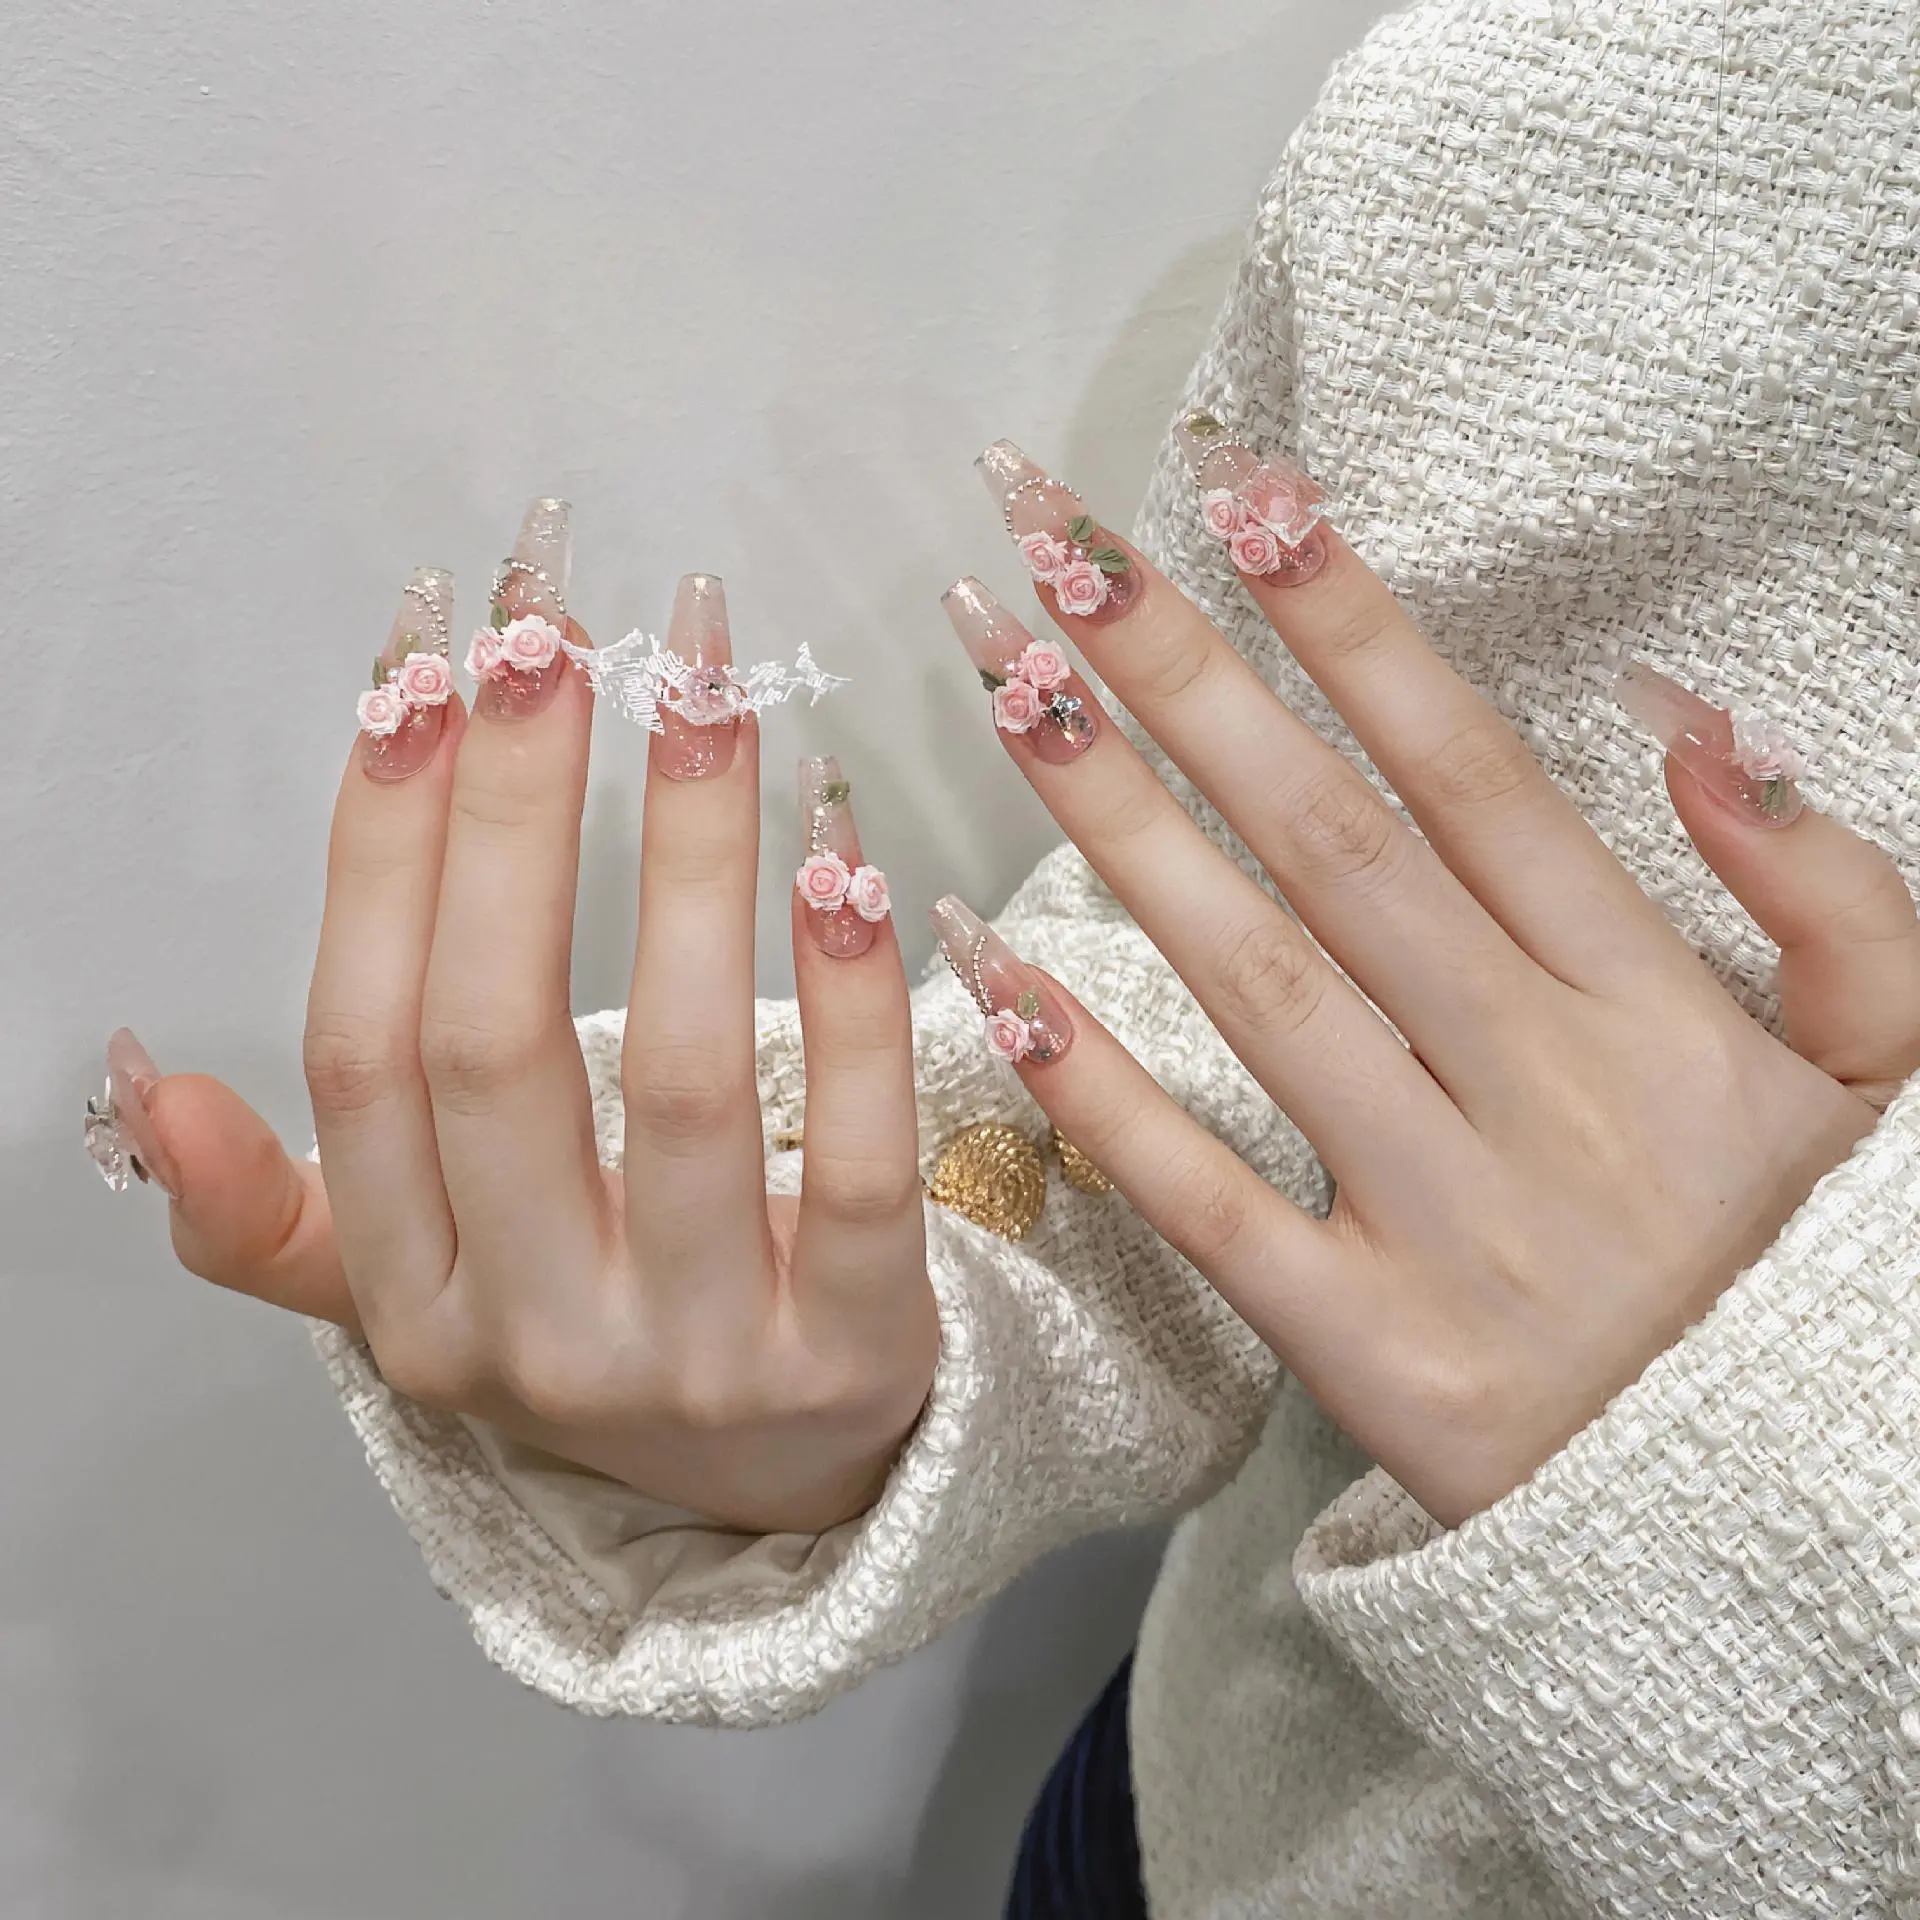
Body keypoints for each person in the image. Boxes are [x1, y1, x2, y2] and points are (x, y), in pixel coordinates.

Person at [83, 0, 1920, 1911]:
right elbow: (1269, 998)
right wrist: (856, 1299)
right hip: (1221, 1818)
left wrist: (1782, 1465)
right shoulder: (1568, 121)